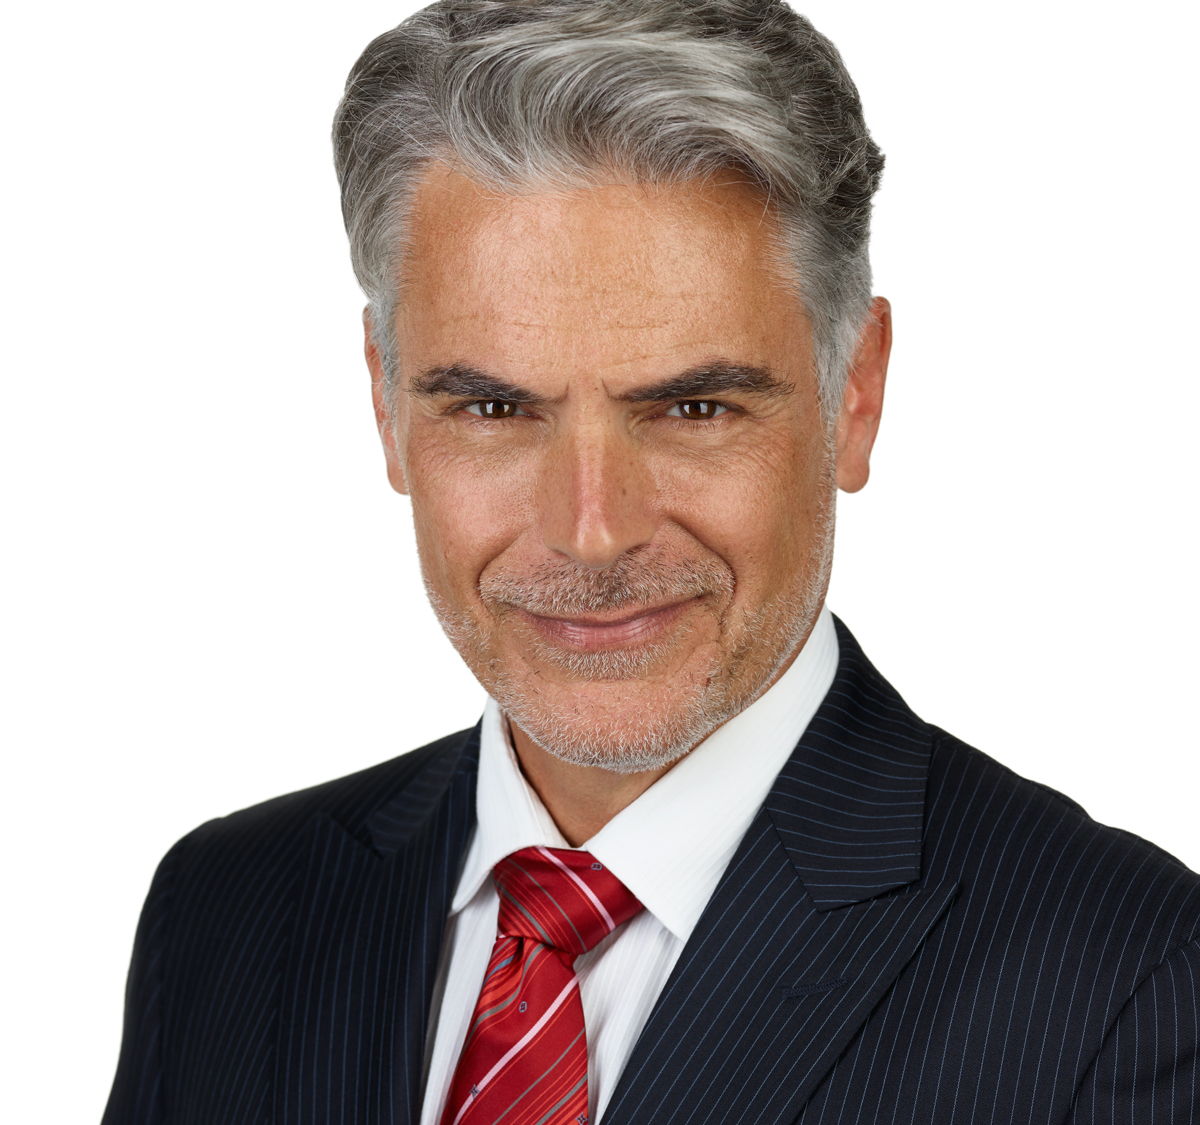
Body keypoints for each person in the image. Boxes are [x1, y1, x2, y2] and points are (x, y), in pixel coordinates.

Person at [102, 2, 1200, 1123]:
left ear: (854, 396)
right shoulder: (227, 912)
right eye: (492, 406)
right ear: (386, 408)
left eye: (692, 406)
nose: (592, 530)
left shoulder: (1132, 982)